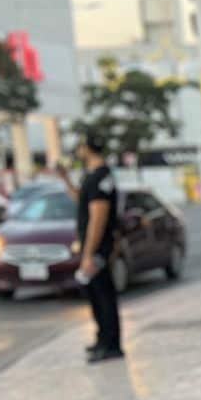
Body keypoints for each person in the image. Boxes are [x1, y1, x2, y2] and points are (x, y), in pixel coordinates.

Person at [57, 132, 122, 364]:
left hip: (98, 248)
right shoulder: (92, 177)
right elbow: (83, 202)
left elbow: (98, 217)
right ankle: (102, 339)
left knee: (103, 295)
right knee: (94, 293)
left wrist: (89, 254)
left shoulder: (101, 177)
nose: (78, 150)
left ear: (87, 147)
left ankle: (111, 344)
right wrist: (65, 180)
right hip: (93, 247)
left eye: (80, 146)